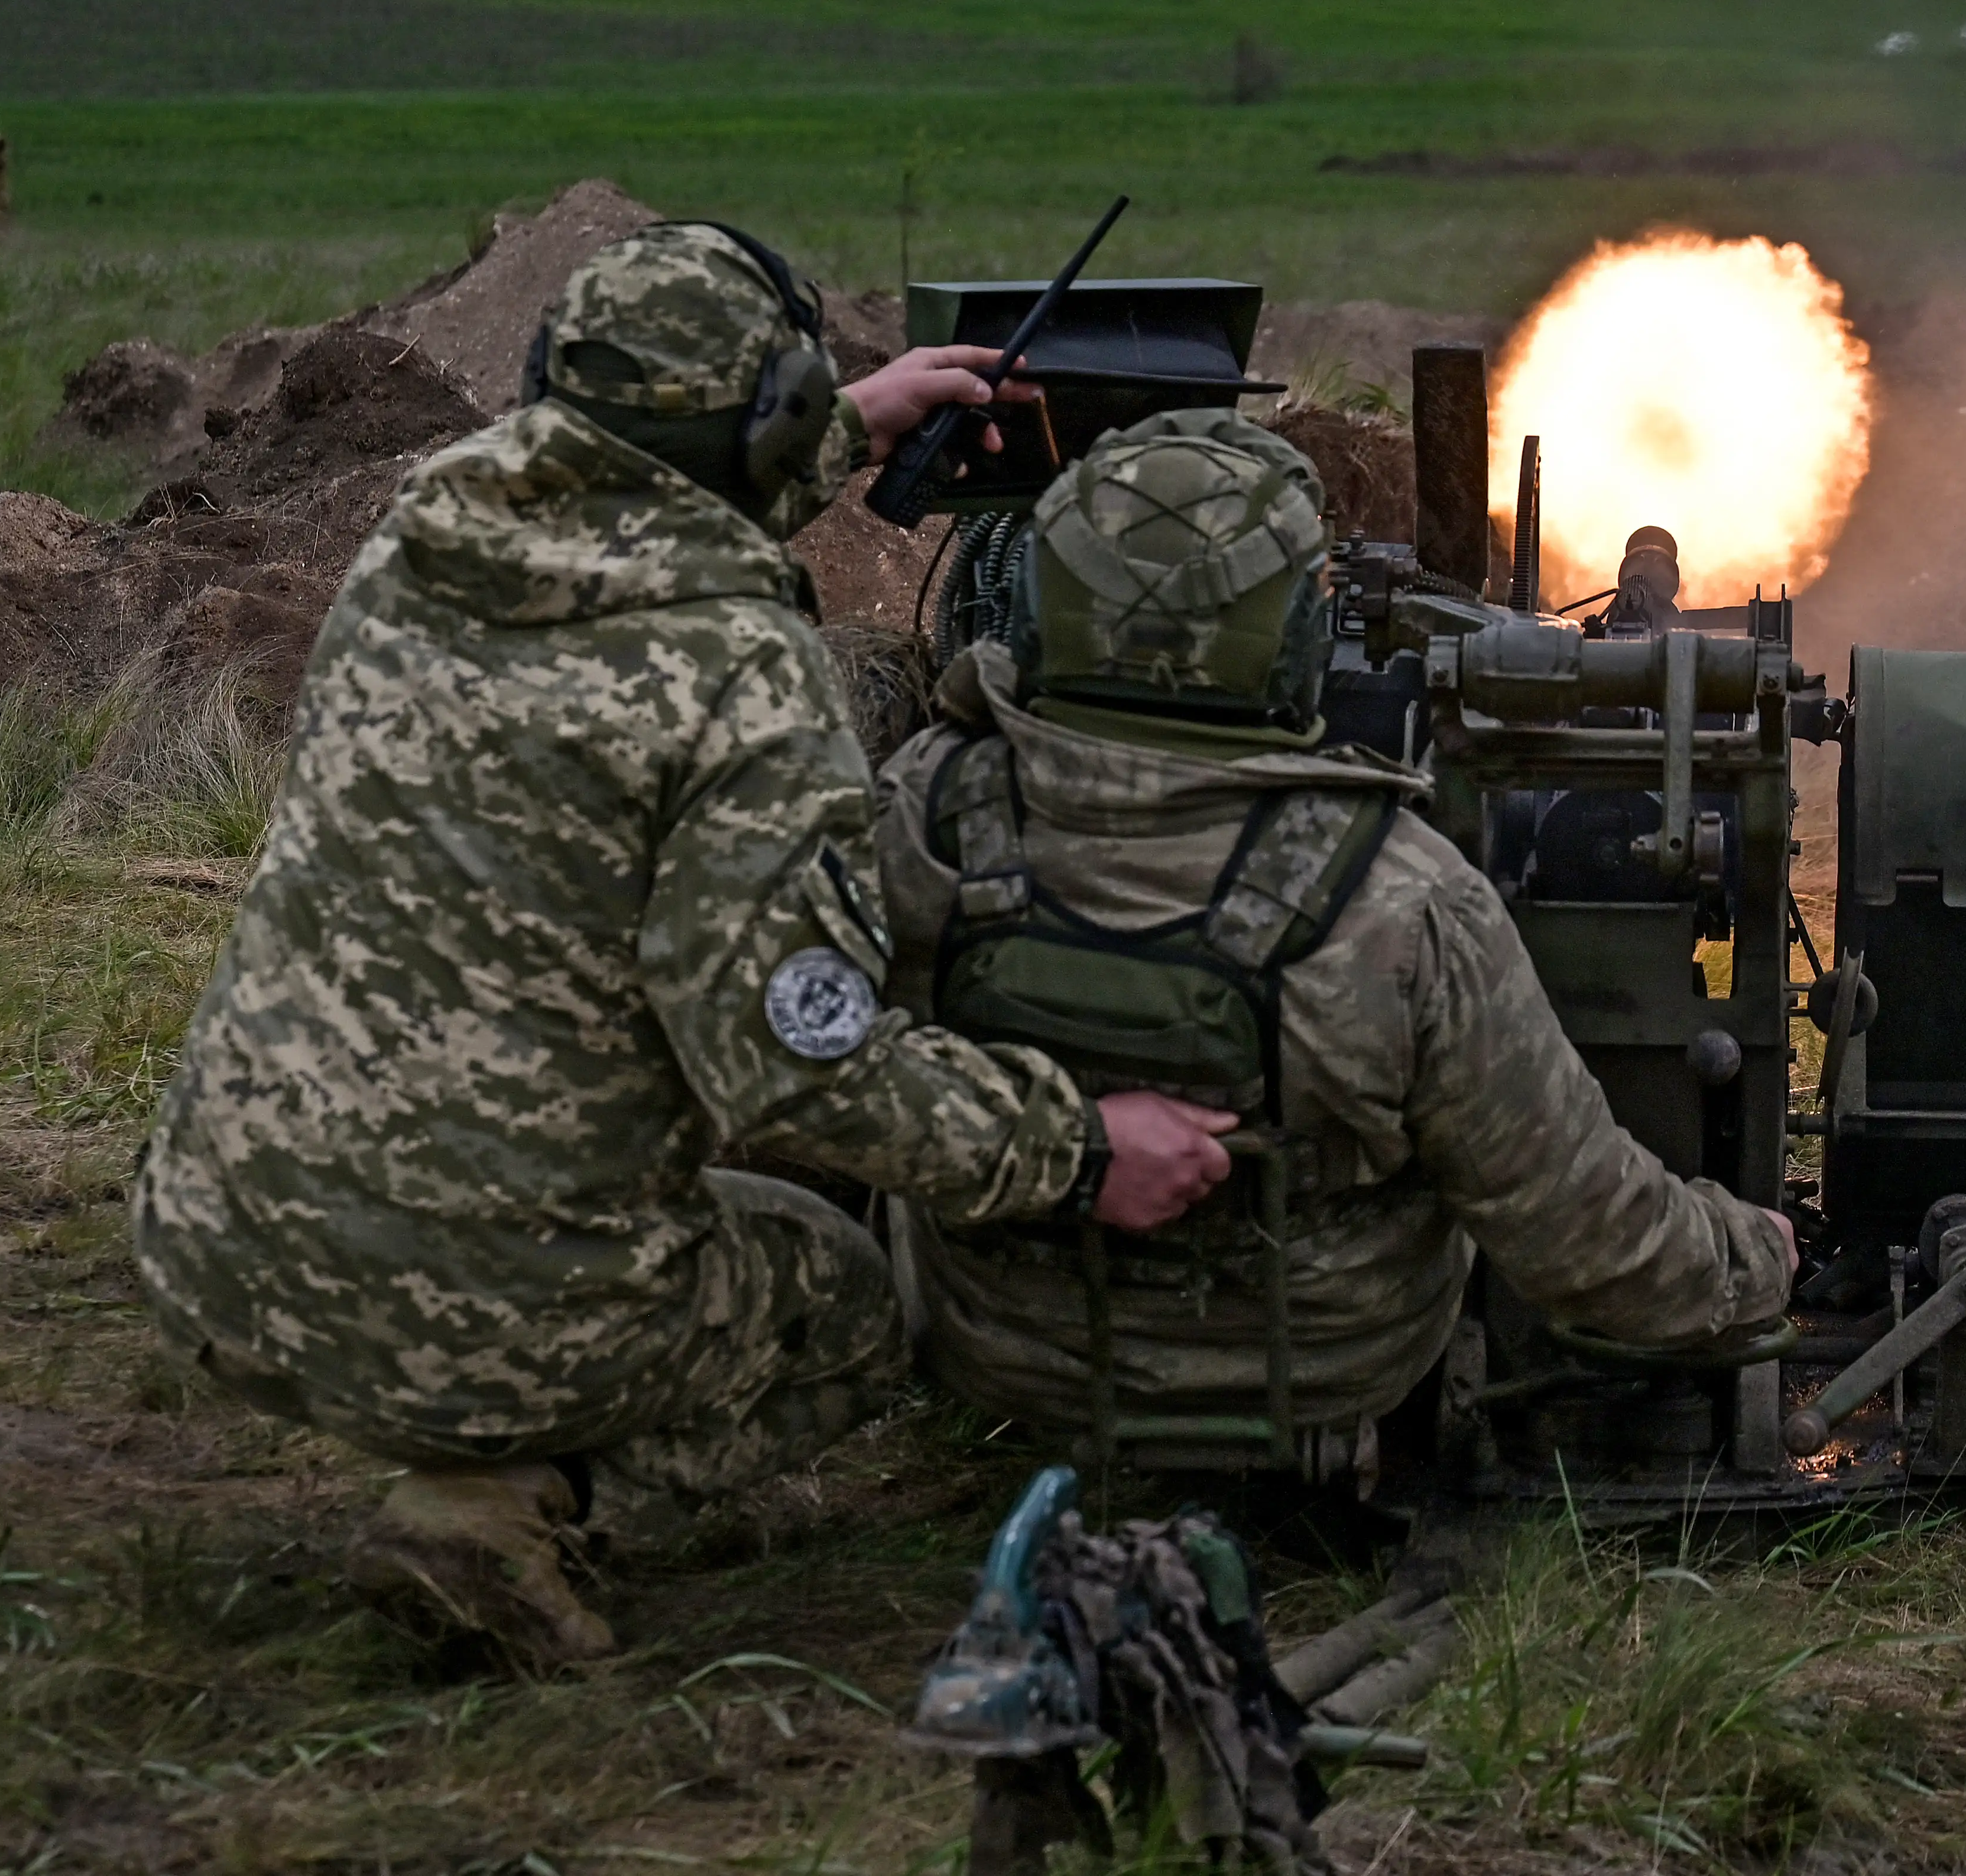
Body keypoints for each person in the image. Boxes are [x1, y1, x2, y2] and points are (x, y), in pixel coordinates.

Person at [129, 222, 1234, 1667]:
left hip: (217, 1244)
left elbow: (630, 513)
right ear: (763, 417)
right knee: (851, 1291)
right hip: (442, 1307)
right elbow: (800, 1071)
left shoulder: (427, 533)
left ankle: (476, 1441)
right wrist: (1082, 1147)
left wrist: (842, 428)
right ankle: (509, 1499)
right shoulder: (743, 683)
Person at [871, 409, 1796, 1456]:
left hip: (997, 1349)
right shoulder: (1401, 899)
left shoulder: (922, 811)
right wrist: (1750, 1256)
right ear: (1294, 643)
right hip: (1311, 1366)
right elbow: (1584, 1236)